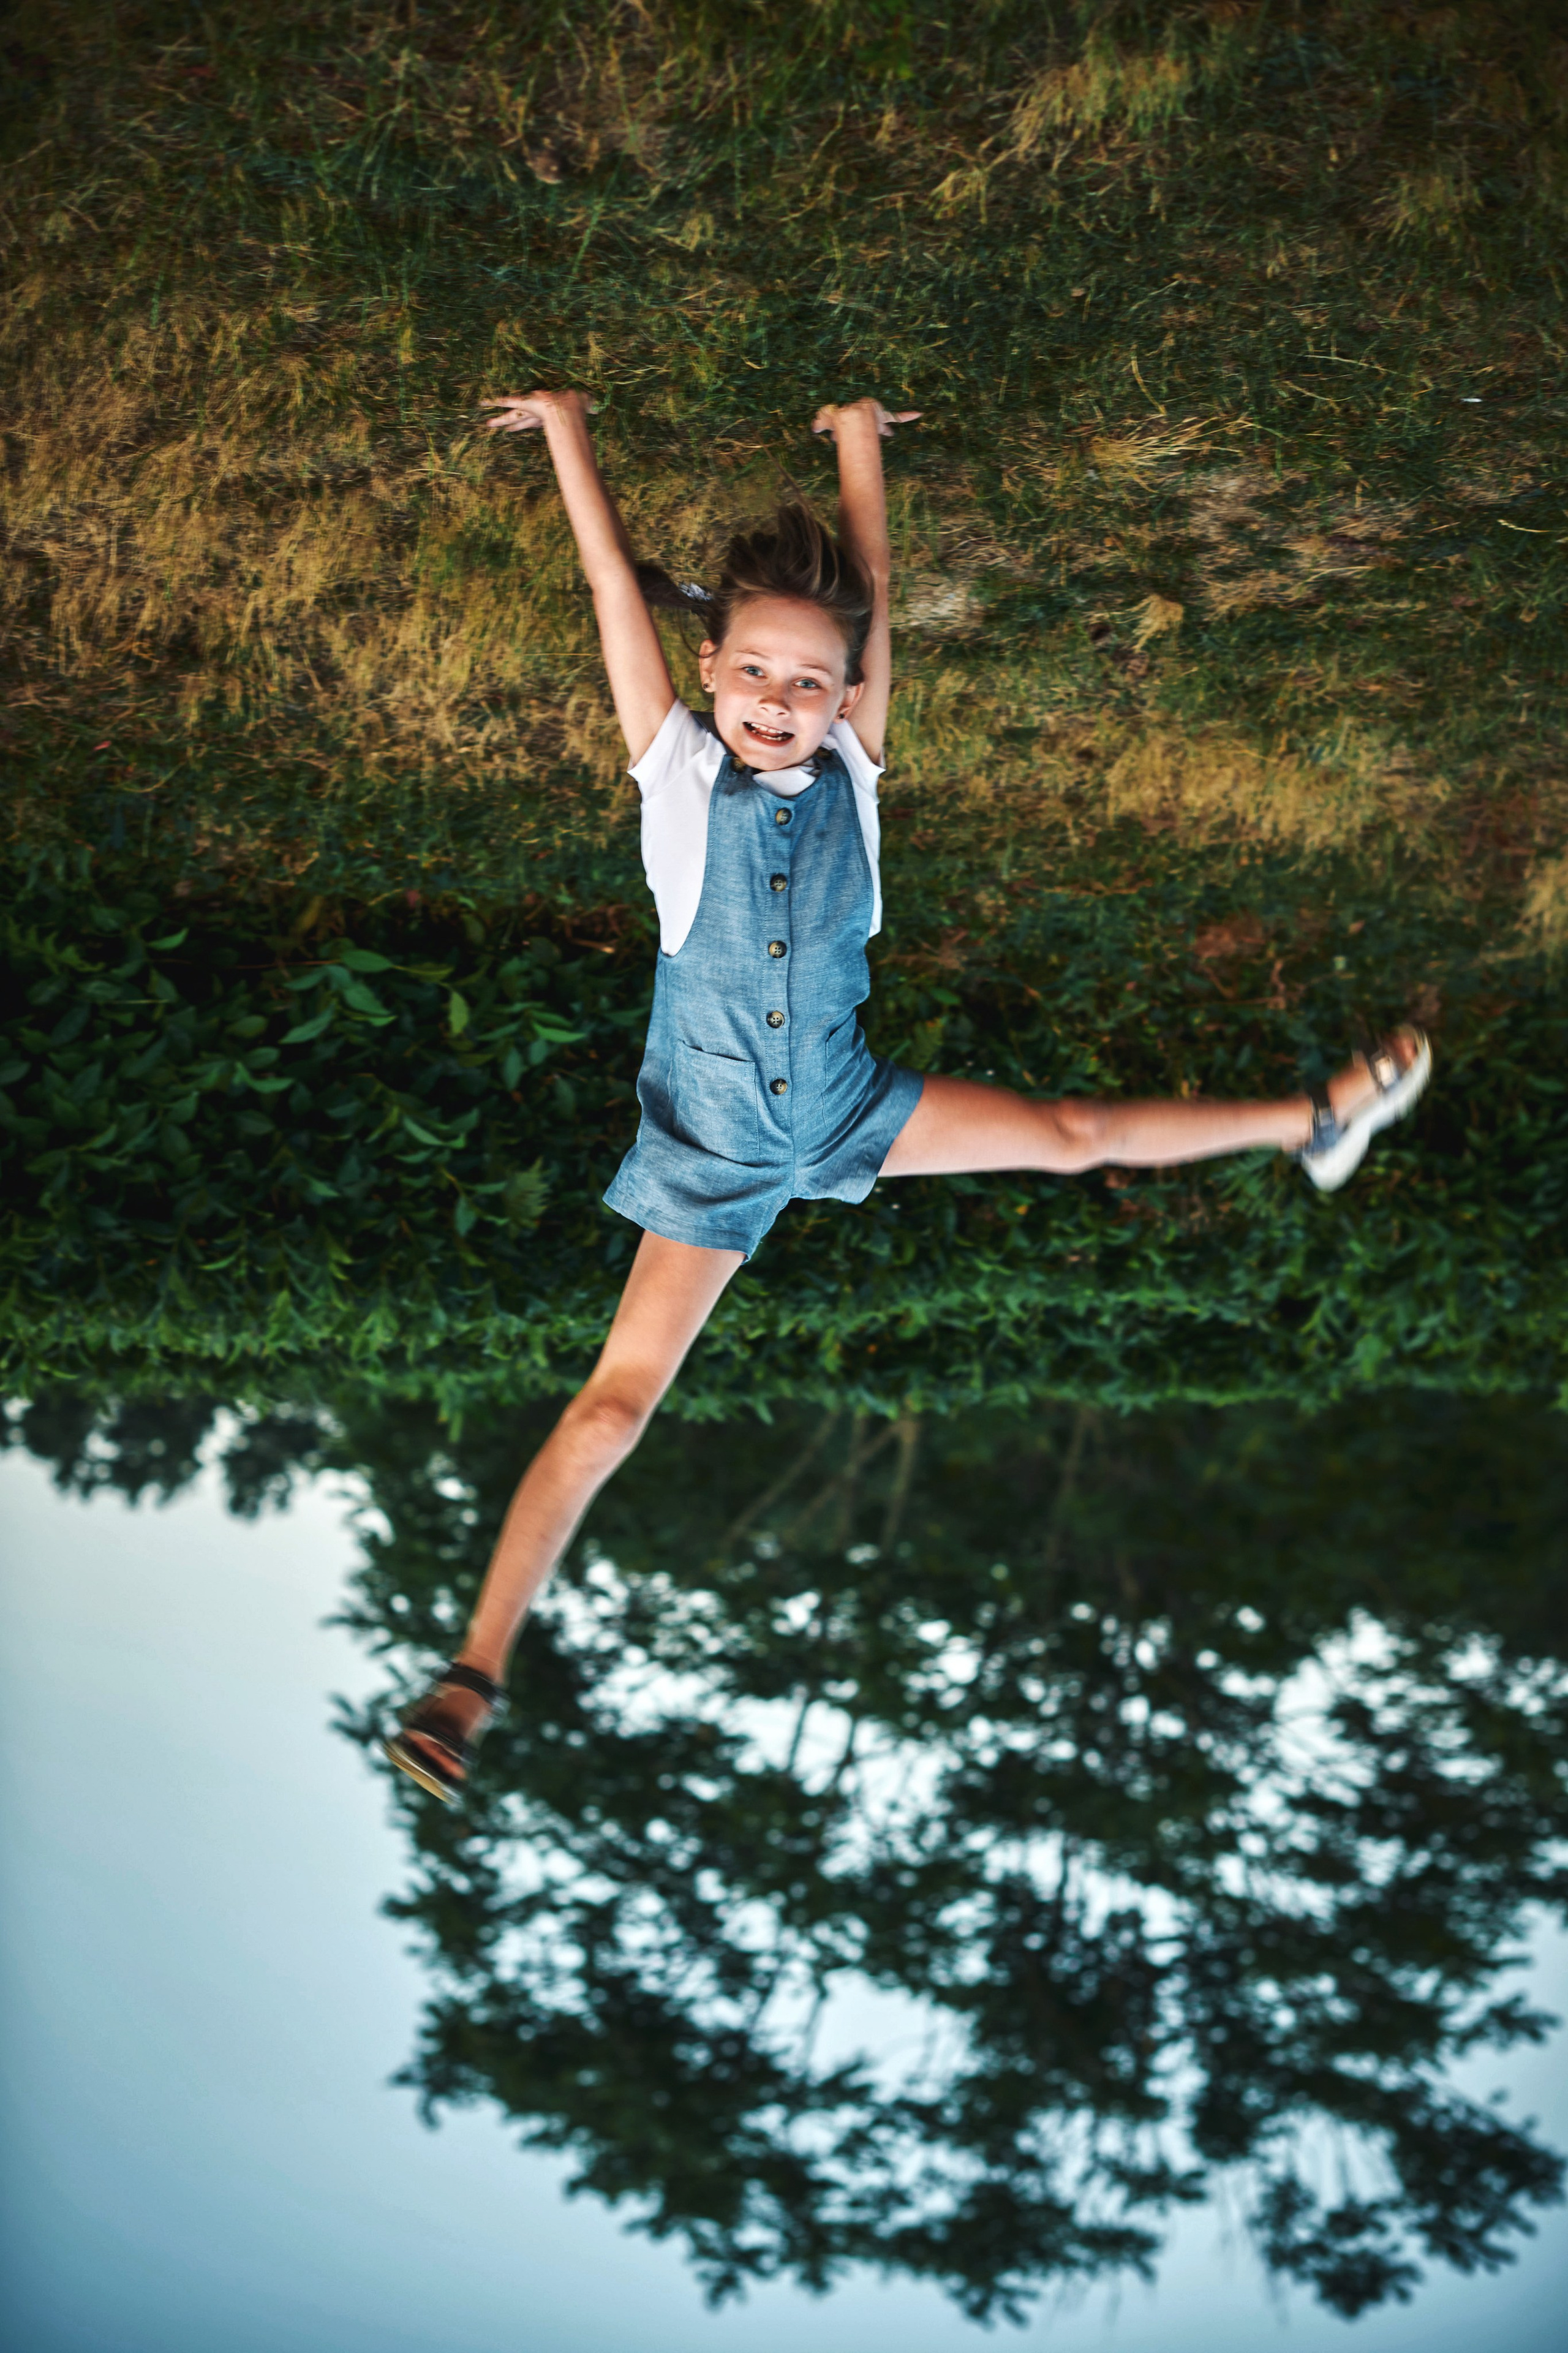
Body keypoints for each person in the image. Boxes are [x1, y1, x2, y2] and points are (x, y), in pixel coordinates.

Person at [384, 389, 1431, 1803]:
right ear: (710, 671)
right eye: (754, 674)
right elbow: (605, 596)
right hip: (713, 1154)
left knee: (1068, 1138)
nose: (779, 703)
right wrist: (569, 430)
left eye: (810, 685)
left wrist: (857, 440)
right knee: (616, 1408)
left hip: (843, 1106)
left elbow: (874, 603)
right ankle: (472, 1673)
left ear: (843, 696)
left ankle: (1312, 1121)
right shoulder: (677, 779)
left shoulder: (853, 771)